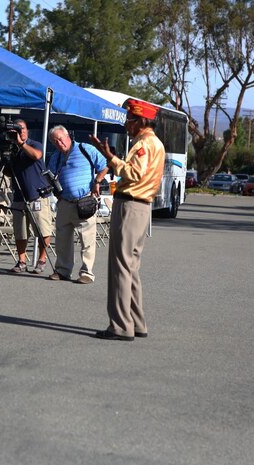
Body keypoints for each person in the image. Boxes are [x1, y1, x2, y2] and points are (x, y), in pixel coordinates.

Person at [88, 98, 165, 341]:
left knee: (120, 266)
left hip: (130, 205)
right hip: (141, 207)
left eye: (130, 120)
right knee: (131, 266)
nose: (126, 125)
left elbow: (134, 173)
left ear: (142, 121)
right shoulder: (157, 144)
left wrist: (110, 157)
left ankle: (121, 326)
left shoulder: (143, 143)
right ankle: (136, 322)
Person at [47, 125, 109, 284]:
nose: (59, 143)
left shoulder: (85, 149)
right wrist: (55, 190)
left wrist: (97, 181)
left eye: (60, 139)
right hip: (65, 203)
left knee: (87, 240)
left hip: (84, 202)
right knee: (62, 240)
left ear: (68, 136)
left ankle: (87, 273)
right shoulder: (55, 157)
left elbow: (105, 165)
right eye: (55, 142)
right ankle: (62, 270)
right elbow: (51, 177)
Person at [6, 118, 54, 275]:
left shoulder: (34, 144)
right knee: (20, 231)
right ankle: (21, 261)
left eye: (23, 128)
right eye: (17, 129)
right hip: (19, 195)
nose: (21, 131)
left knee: (42, 229)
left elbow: (36, 156)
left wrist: (21, 144)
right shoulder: (13, 148)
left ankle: (41, 259)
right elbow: (8, 172)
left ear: (27, 130)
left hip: (37, 194)